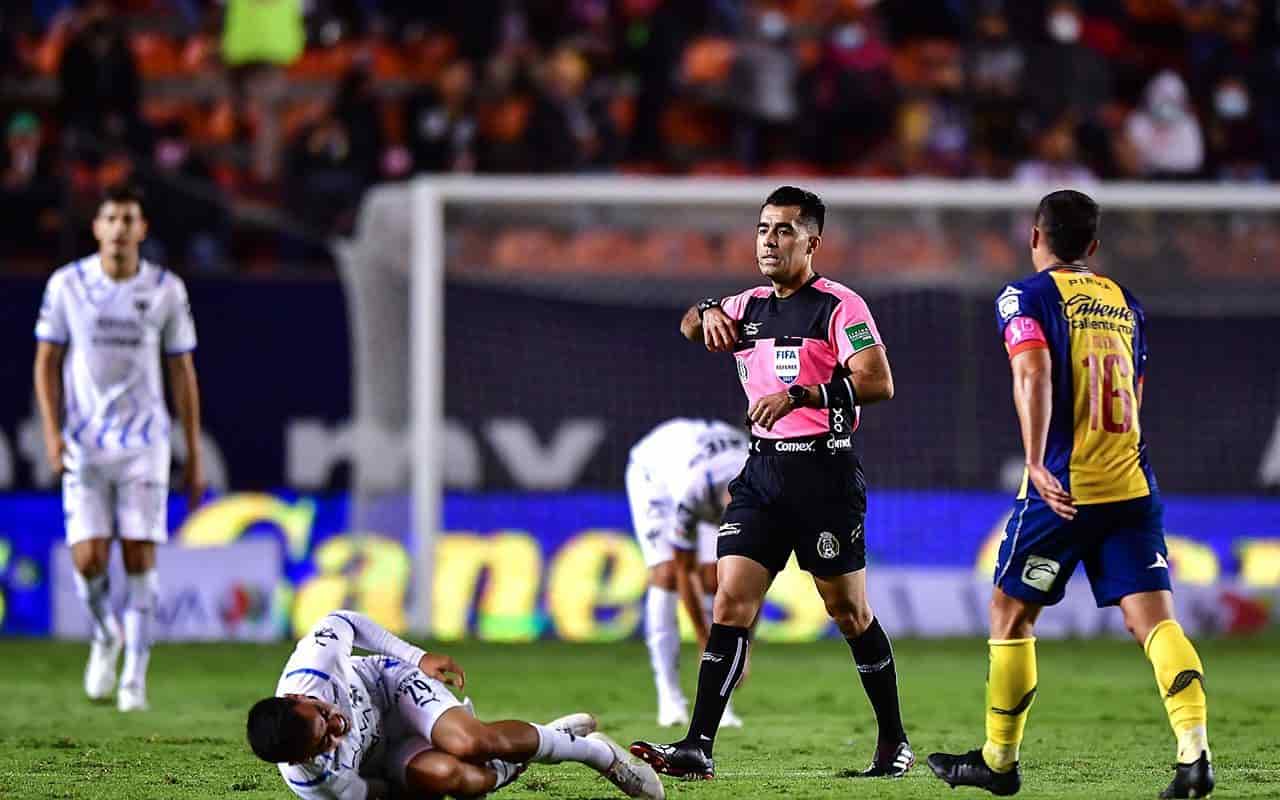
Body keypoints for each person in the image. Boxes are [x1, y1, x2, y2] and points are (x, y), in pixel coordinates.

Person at [927, 190, 1214, 799]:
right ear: (1093, 246)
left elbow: (1032, 370)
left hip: (1062, 488)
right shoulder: (1125, 301)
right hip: (1130, 485)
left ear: (1036, 237)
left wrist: (1035, 461)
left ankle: (998, 762)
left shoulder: (1024, 296)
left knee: (1010, 613)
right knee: (1155, 622)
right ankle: (1195, 755)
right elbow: (1134, 389)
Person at [631, 186, 911, 780]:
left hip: (824, 475)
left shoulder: (839, 307)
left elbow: (878, 381)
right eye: (763, 228)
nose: (769, 240)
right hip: (760, 473)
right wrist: (706, 310)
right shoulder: (747, 304)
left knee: (849, 611)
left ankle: (893, 741)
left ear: (812, 242)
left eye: (784, 230)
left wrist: (802, 394)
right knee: (730, 602)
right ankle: (697, 746)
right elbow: (689, 326)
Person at [33, 183, 205, 712]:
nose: (120, 229)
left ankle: (134, 678)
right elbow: (46, 362)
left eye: (129, 219)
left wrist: (193, 453)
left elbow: (182, 371)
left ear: (142, 229)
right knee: (88, 559)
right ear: (97, 228)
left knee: (138, 556)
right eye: (111, 219)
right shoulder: (67, 285)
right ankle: (106, 633)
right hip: (85, 443)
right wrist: (52, 434)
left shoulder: (166, 289)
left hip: (145, 443)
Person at [247, 609, 665, 800]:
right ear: (301, 759)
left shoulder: (314, 664)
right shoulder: (318, 785)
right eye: (324, 742)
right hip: (386, 758)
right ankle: (531, 751)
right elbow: (377, 793)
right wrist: (425, 784)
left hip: (389, 689)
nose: (337, 726)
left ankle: (597, 754)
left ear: (296, 698)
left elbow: (344, 620)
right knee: (456, 777)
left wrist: (417, 658)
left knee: (471, 743)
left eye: (323, 714)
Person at [626, 418, 749, 727]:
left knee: (718, 575)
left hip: (708, 464)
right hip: (655, 471)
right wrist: (705, 640)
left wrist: (744, 647)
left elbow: (753, 579)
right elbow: (684, 569)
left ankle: (719, 702)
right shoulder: (692, 491)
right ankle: (669, 697)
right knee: (667, 573)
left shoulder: (767, 490)